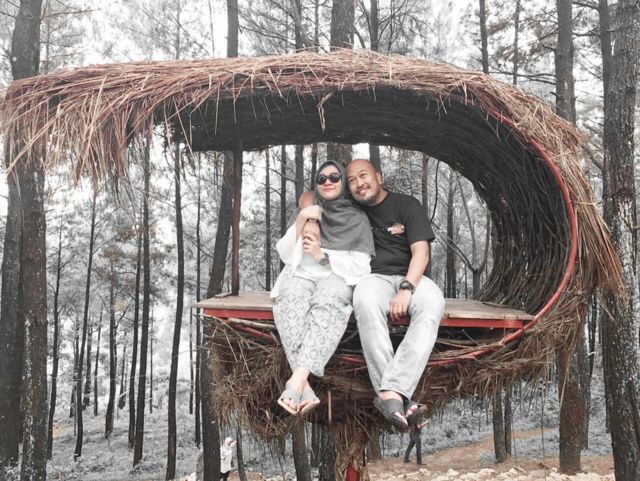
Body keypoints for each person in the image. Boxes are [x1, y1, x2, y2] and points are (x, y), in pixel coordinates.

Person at [271, 160, 375, 416]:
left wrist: (321, 256)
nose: (328, 182)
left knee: (329, 299)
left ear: (343, 183)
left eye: (334, 177)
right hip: (301, 274)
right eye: (321, 179)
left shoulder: (356, 218)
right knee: (289, 295)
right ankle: (303, 385)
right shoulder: (309, 213)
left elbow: (361, 268)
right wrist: (301, 220)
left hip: (336, 276)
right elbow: (285, 254)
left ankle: (295, 381)